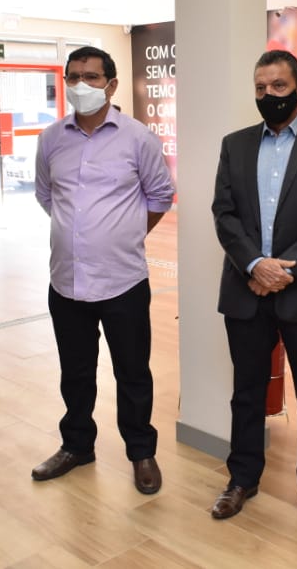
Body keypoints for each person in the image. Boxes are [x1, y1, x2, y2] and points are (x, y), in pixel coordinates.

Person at [211, 49, 297, 536]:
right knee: (247, 392)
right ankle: (241, 479)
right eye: (260, 87)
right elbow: (224, 214)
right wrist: (255, 264)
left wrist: (281, 271)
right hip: (246, 287)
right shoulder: (235, 144)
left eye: (278, 86)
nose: (268, 95)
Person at [31, 46, 175, 494]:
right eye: (73, 76)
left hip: (122, 280)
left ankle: (141, 452)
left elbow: (160, 195)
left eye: (91, 77)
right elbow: (47, 195)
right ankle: (76, 446)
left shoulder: (137, 138)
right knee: (75, 372)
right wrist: (81, 233)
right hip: (66, 281)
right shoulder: (51, 139)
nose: (81, 85)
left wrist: (123, 233)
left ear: (111, 85)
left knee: (132, 373)